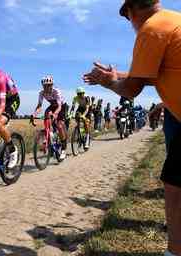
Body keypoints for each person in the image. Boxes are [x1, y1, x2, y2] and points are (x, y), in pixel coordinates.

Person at [83, 1, 181, 255]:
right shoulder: (172, 20)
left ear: (132, 12)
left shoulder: (151, 29)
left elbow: (131, 89)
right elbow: (151, 74)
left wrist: (109, 83)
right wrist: (118, 75)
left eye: (127, 19)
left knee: (175, 185)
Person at [32, 75, 68, 160]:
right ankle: (48, 136)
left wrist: (55, 114)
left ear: (52, 85)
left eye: (49, 85)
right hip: (52, 106)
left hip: (61, 106)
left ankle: (63, 148)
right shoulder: (41, 93)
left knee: (59, 126)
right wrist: (34, 115)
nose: (47, 87)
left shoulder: (56, 91)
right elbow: (39, 106)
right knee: (46, 115)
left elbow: (59, 106)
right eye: (45, 86)